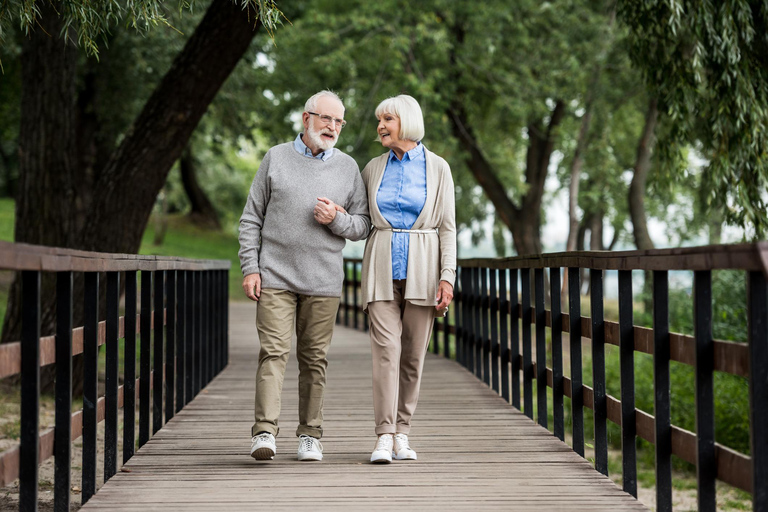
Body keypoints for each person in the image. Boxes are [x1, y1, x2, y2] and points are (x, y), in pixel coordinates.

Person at [239, 90, 370, 462]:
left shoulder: (347, 167)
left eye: (339, 121)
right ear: (306, 118)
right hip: (275, 276)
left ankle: (310, 434)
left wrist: (337, 220)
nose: (332, 127)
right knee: (274, 353)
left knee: (314, 359)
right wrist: (251, 267)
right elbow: (251, 219)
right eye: (326, 119)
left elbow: (362, 225)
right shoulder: (275, 158)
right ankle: (265, 432)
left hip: (324, 282)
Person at [360, 95, 456, 463]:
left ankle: (403, 432)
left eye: (388, 119)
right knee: (387, 353)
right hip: (381, 270)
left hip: (424, 271)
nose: (381, 126)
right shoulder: (372, 168)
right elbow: (360, 219)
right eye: (379, 119)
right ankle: (384, 435)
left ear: (408, 122)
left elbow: (447, 228)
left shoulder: (439, 168)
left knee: (413, 357)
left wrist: (447, 277)